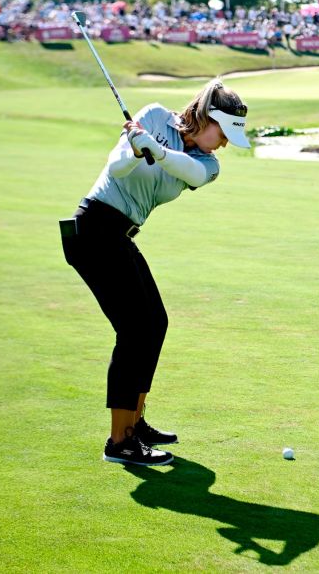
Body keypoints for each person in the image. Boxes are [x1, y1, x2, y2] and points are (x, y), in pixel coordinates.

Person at [60, 80, 251, 466]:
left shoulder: (208, 164)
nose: (224, 144)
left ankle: (136, 421)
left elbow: (190, 173)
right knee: (135, 330)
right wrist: (135, 149)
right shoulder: (153, 117)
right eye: (224, 133)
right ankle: (121, 442)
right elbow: (116, 167)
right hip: (94, 229)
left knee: (155, 323)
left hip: (118, 236)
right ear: (206, 117)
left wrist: (157, 151)